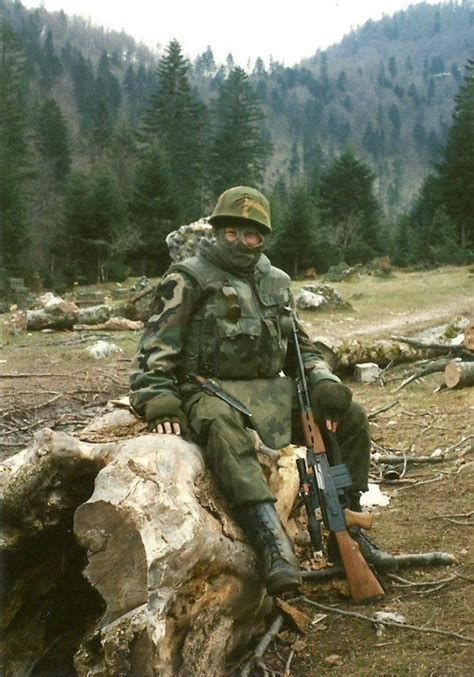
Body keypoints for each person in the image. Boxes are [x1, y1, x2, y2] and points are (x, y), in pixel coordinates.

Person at [129, 186, 372, 596]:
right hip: (208, 391)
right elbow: (154, 349)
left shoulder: (275, 281)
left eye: (253, 235)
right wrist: (158, 398)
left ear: (264, 238)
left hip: (272, 394)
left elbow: (301, 347)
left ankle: (348, 523)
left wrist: (324, 382)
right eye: (232, 233)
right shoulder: (188, 278)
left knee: (353, 418)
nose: (242, 242)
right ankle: (272, 544)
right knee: (224, 429)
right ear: (217, 230)